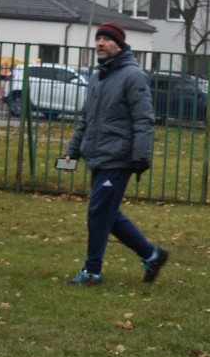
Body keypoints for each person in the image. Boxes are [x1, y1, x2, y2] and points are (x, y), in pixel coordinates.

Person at [62, 21, 168, 287]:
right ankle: (152, 255)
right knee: (109, 214)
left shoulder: (134, 76)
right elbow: (85, 119)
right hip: (97, 156)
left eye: (106, 39)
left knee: (98, 214)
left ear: (119, 44)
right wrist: (71, 153)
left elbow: (144, 120)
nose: (100, 43)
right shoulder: (97, 77)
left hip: (119, 158)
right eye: (98, 39)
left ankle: (92, 272)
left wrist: (140, 157)